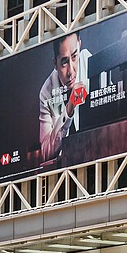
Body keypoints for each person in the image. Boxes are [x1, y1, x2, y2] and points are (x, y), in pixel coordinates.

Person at [37, 31, 88, 162]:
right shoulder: (46, 92)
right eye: (64, 62)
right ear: (55, 63)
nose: (71, 71)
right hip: (64, 166)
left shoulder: (89, 61)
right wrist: (69, 109)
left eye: (74, 57)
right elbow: (45, 152)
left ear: (79, 45)